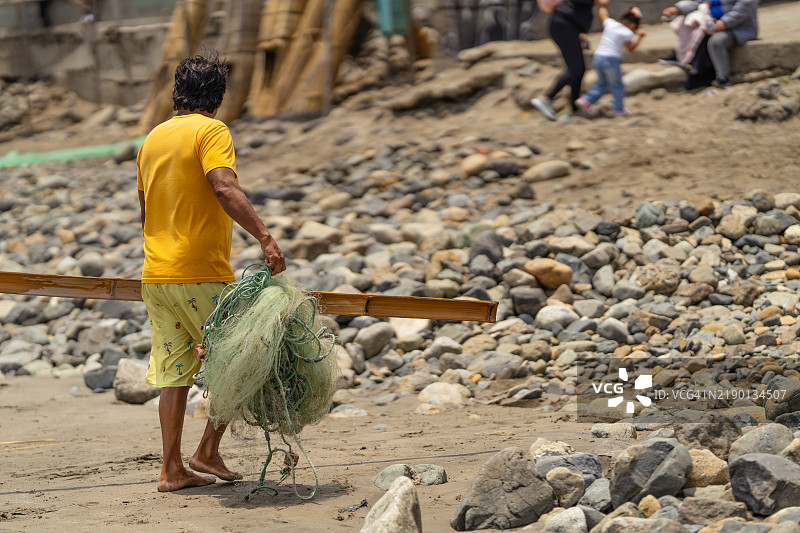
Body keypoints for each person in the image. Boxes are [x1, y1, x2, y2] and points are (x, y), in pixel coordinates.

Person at [136, 53, 286, 492]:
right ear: (218, 100)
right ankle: (206, 451)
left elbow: (146, 212)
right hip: (198, 271)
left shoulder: (151, 140)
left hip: (156, 275)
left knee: (174, 372)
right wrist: (266, 238)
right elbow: (223, 185)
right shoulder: (211, 130)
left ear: (176, 95)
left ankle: (171, 471)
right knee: (243, 359)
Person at [531, 0, 605, 121]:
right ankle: (546, 99)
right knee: (576, 68)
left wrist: (579, 33)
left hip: (568, 27)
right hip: (564, 26)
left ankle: (574, 109)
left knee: (579, 69)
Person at [662, 0, 758, 87]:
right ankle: (689, 65)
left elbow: (742, 10)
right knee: (694, 35)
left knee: (716, 42)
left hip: (738, 28)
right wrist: (677, 9)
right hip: (713, 25)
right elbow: (695, 2)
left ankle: (722, 78)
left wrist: (723, 23)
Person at [574, 6, 646, 117]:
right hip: (611, 59)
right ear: (632, 25)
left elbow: (603, 14)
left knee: (602, 82)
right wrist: (639, 37)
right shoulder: (627, 32)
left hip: (598, 57)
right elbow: (631, 48)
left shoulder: (610, 24)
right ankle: (618, 109)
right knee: (617, 85)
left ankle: (585, 100)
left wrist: (602, 5)